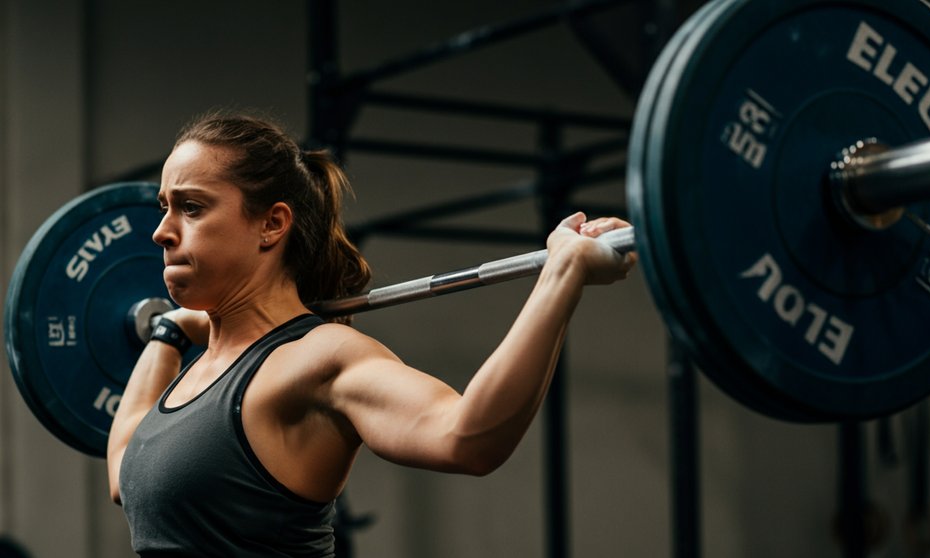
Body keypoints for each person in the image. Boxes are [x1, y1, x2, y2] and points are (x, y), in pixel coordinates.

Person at [106, 112, 636, 557]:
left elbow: (468, 437)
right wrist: (168, 335)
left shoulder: (319, 358)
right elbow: (126, 471)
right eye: (165, 207)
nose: (161, 231)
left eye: (191, 208)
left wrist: (563, 274)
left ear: (272, 224)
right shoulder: (198, 371)